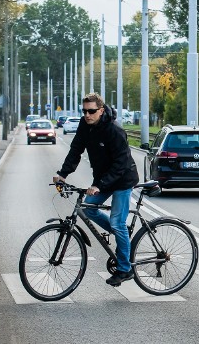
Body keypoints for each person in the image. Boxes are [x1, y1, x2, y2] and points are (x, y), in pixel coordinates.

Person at [53, 93, 139, 286]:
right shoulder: (86, 125)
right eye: (84, 111)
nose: (87, 115)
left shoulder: (114, 130)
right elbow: (76, 150)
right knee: (88, 208)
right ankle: (122, 235)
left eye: (91, 111)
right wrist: (63, 174)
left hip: (123, 179)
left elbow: (121, 163)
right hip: (103, 179)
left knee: (117, 223)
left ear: (101, 110)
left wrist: (99, 185)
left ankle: (125, 269)